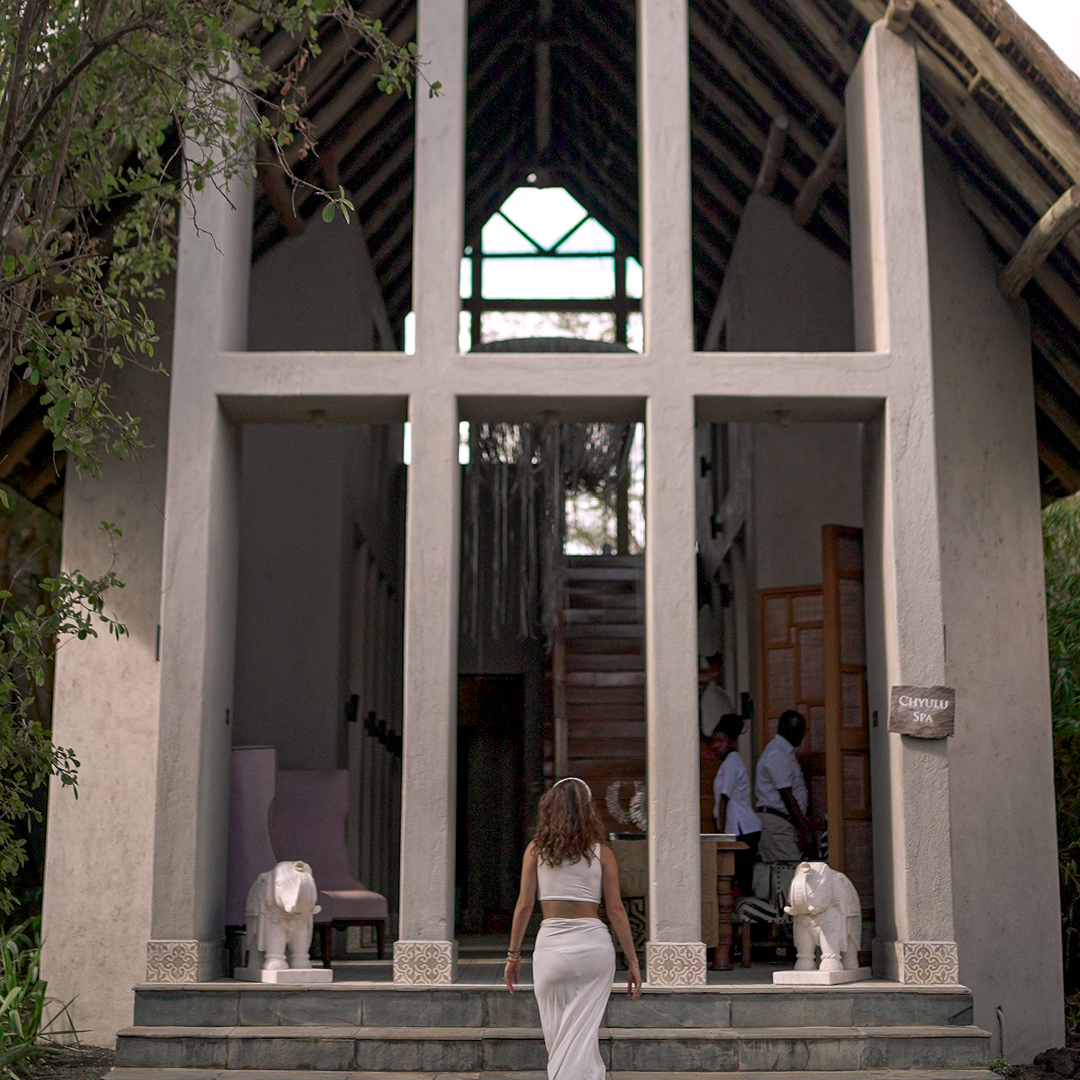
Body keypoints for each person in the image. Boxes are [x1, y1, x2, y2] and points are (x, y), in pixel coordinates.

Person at [505, 777, 641, 1080]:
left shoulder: (535, 851)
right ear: (587, 810)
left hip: (552, 951)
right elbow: (616, 911)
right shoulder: (602, 853)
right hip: (594, 951)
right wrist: (632, 961)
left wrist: (513, 955)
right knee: (581, 1039)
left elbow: (524, 905)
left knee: (560, 1042)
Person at [710, 712, 761, 895]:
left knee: (741, 878)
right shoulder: (727, 763)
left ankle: (747, 910)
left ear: (731, 741)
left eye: (721, 741)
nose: (716, 746)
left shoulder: (732, 762)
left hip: (743, 829)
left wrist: (722, 834)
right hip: (738, 829)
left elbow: (724, 798)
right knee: (738, 877)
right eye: (714, 741)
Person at [755, 709, 813, 863]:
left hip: (783, 823)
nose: (802, 735)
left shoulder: (784, 752)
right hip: (777, 825)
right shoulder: (777, 754)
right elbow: (786, 795)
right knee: (789, 870)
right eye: (798, 730)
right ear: (785, 729)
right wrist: (805, 829)